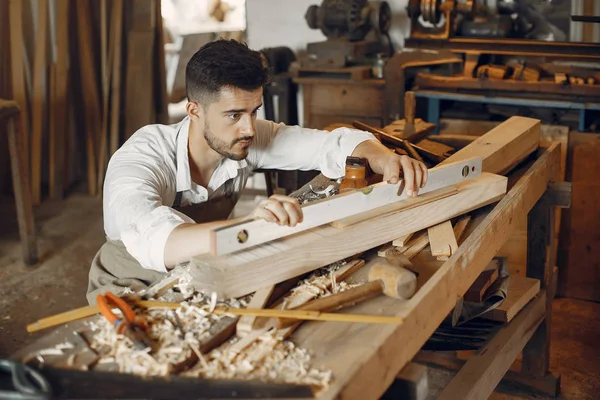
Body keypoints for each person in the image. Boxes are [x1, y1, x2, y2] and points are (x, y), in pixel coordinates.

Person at [86, 39, 427, 304]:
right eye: (234, 114)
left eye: (254, 111)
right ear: (194, 111)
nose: (249, 129)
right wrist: (250, 226)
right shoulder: (140, 159)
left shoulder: (243, 137)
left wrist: (381, 156)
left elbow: (328, 145)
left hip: (204, 270)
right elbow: (159, 241)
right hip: (132, 284)